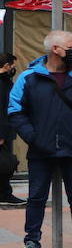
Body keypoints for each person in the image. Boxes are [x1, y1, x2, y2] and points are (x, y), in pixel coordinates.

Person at [9, 30, 72, 248]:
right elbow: (15, 110)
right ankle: (31, 243)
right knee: (36, 198)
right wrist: (33, 137)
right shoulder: (28, 78)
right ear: (55, 50)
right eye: (69, 47)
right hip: (41, 149)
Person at [0, 53, 21, 204]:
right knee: (5, 163)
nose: (13, 68)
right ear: (6, 65)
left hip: (5, 129)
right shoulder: (2, 83)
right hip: (2, 131)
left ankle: (5, 193)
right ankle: (5, 194)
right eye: (12, 65)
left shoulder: (5, 82)